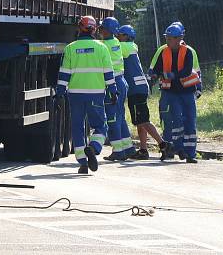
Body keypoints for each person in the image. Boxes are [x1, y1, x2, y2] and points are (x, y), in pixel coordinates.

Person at [55, 16, 116, 174]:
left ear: (79, 28)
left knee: (77, 128)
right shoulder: (102, 48)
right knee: (101, 126)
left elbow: (64, 74)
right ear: (94, 29)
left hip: (75, 95)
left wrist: (60, 93)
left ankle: (82, 163)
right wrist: (113, 90)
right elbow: (108, 73)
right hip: (95, 94)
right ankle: (94, 148)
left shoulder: (70, 48)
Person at [150, 22, 201, 163]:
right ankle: (175, 149)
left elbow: (187, 70)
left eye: (171, 38)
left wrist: (171, 75)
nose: (168, 41)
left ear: (180, 38)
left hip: (186, 92)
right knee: (174, 121)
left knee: (189, 121)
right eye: (167, 38)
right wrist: (154, 75)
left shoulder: (188, 52)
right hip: (171, 92)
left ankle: (190, 154)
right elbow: (157, 68)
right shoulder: (163, 51)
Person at [116, 25, 167, 160]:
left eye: (119, 35)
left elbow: (109, 47)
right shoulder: (130, 46)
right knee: (140, 121)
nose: (117, 37)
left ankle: (163, 145)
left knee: (143, 120)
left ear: (126, 36)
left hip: (135, 89)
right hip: (139, 88)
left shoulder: (125, 47)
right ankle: (143, 150)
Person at [99, 17, 136, 161]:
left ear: (106, 30)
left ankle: (118, 151)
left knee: (113, 118)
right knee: (119, 117)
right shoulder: (116, 42)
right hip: (121, 82)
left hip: (111, 84)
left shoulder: (103, 45)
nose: (99, 30)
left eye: (101, 28)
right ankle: (128, 148)